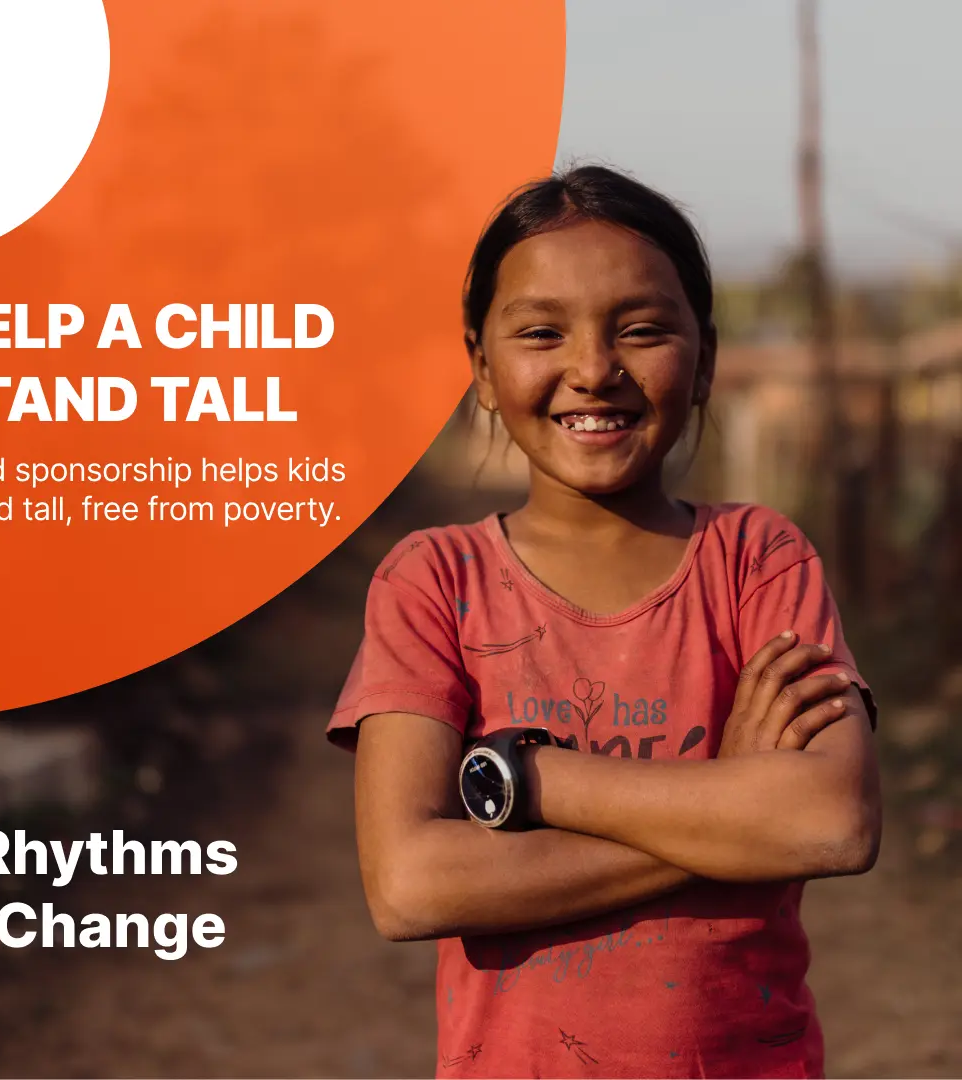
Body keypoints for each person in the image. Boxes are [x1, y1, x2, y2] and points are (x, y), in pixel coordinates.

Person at [326, 164, 880, 1079]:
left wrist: (527, 782)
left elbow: (832, 821)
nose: (592, 370)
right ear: (482, 367)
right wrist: (731, 803)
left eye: (642, 330)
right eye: (542, 332)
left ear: (704, 359)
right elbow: (411, 885)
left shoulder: (758, 560)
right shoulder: (435, 582)